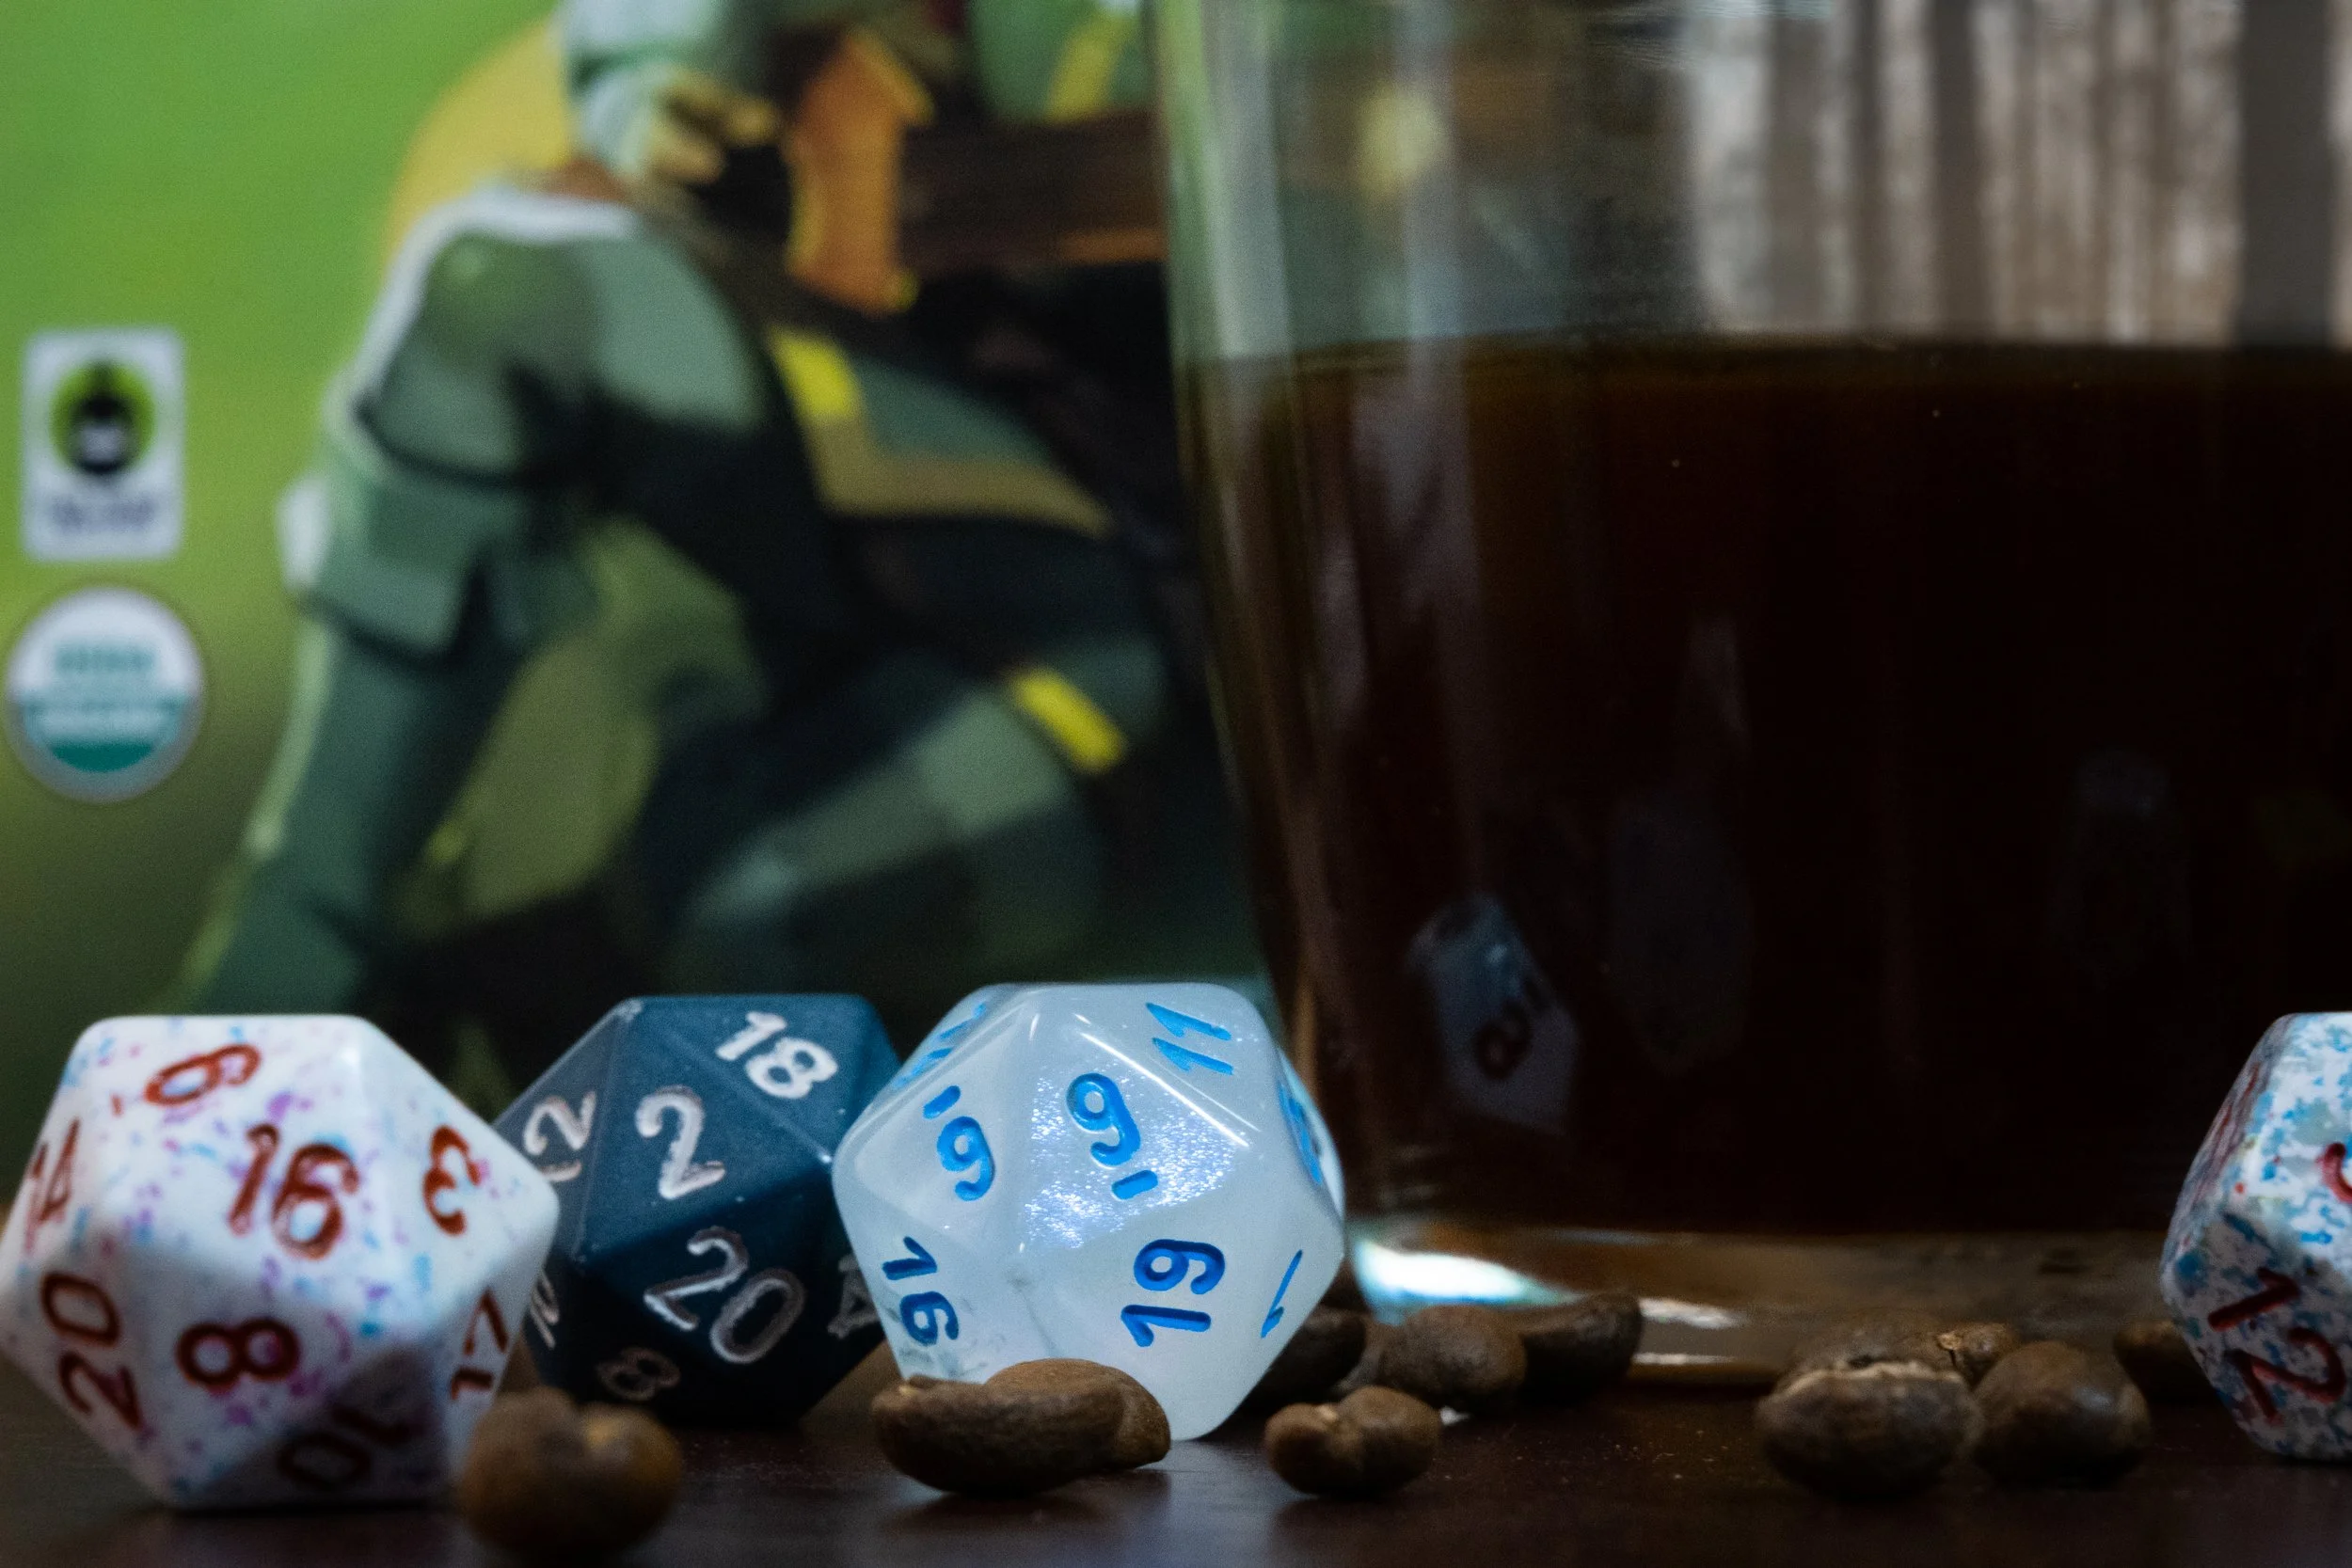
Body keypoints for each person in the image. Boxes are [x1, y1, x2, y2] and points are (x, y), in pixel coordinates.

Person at [172, 0, 1254, 1089]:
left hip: (1156, 626)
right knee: (492, 300)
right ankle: (285, 956)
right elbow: (657, 83)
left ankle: (567, 918)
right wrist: (649, 84)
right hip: (907, 412)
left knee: (734, 931)